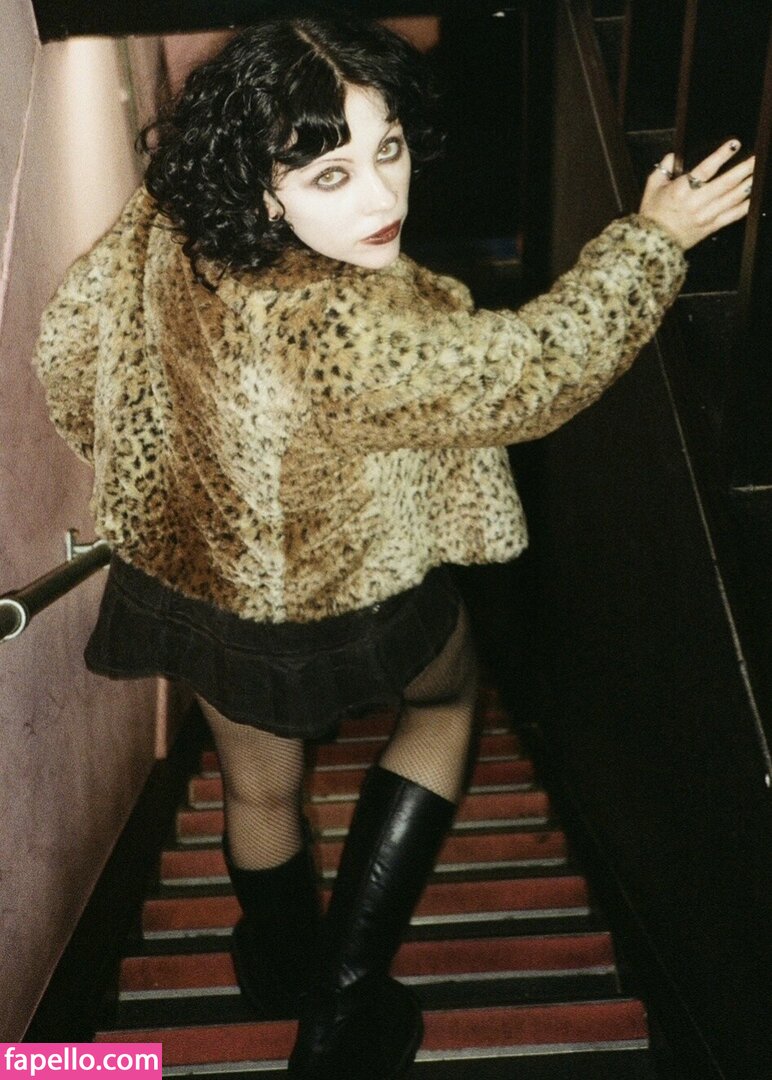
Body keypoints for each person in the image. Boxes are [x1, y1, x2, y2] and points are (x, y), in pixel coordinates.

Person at [33, 12, 754, 1080]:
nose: (381, 198)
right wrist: (653, 241)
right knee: (447, 702)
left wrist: (162, 470)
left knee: (258, 785)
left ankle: (279, 967)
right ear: (265, 188)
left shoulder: (172, 214)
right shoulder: (337, 324)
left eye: (389, 147)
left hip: (191, 580)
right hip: (338, 588)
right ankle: (338, 1008)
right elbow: (533, 371)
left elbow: (70, 343)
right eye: (330, 174)